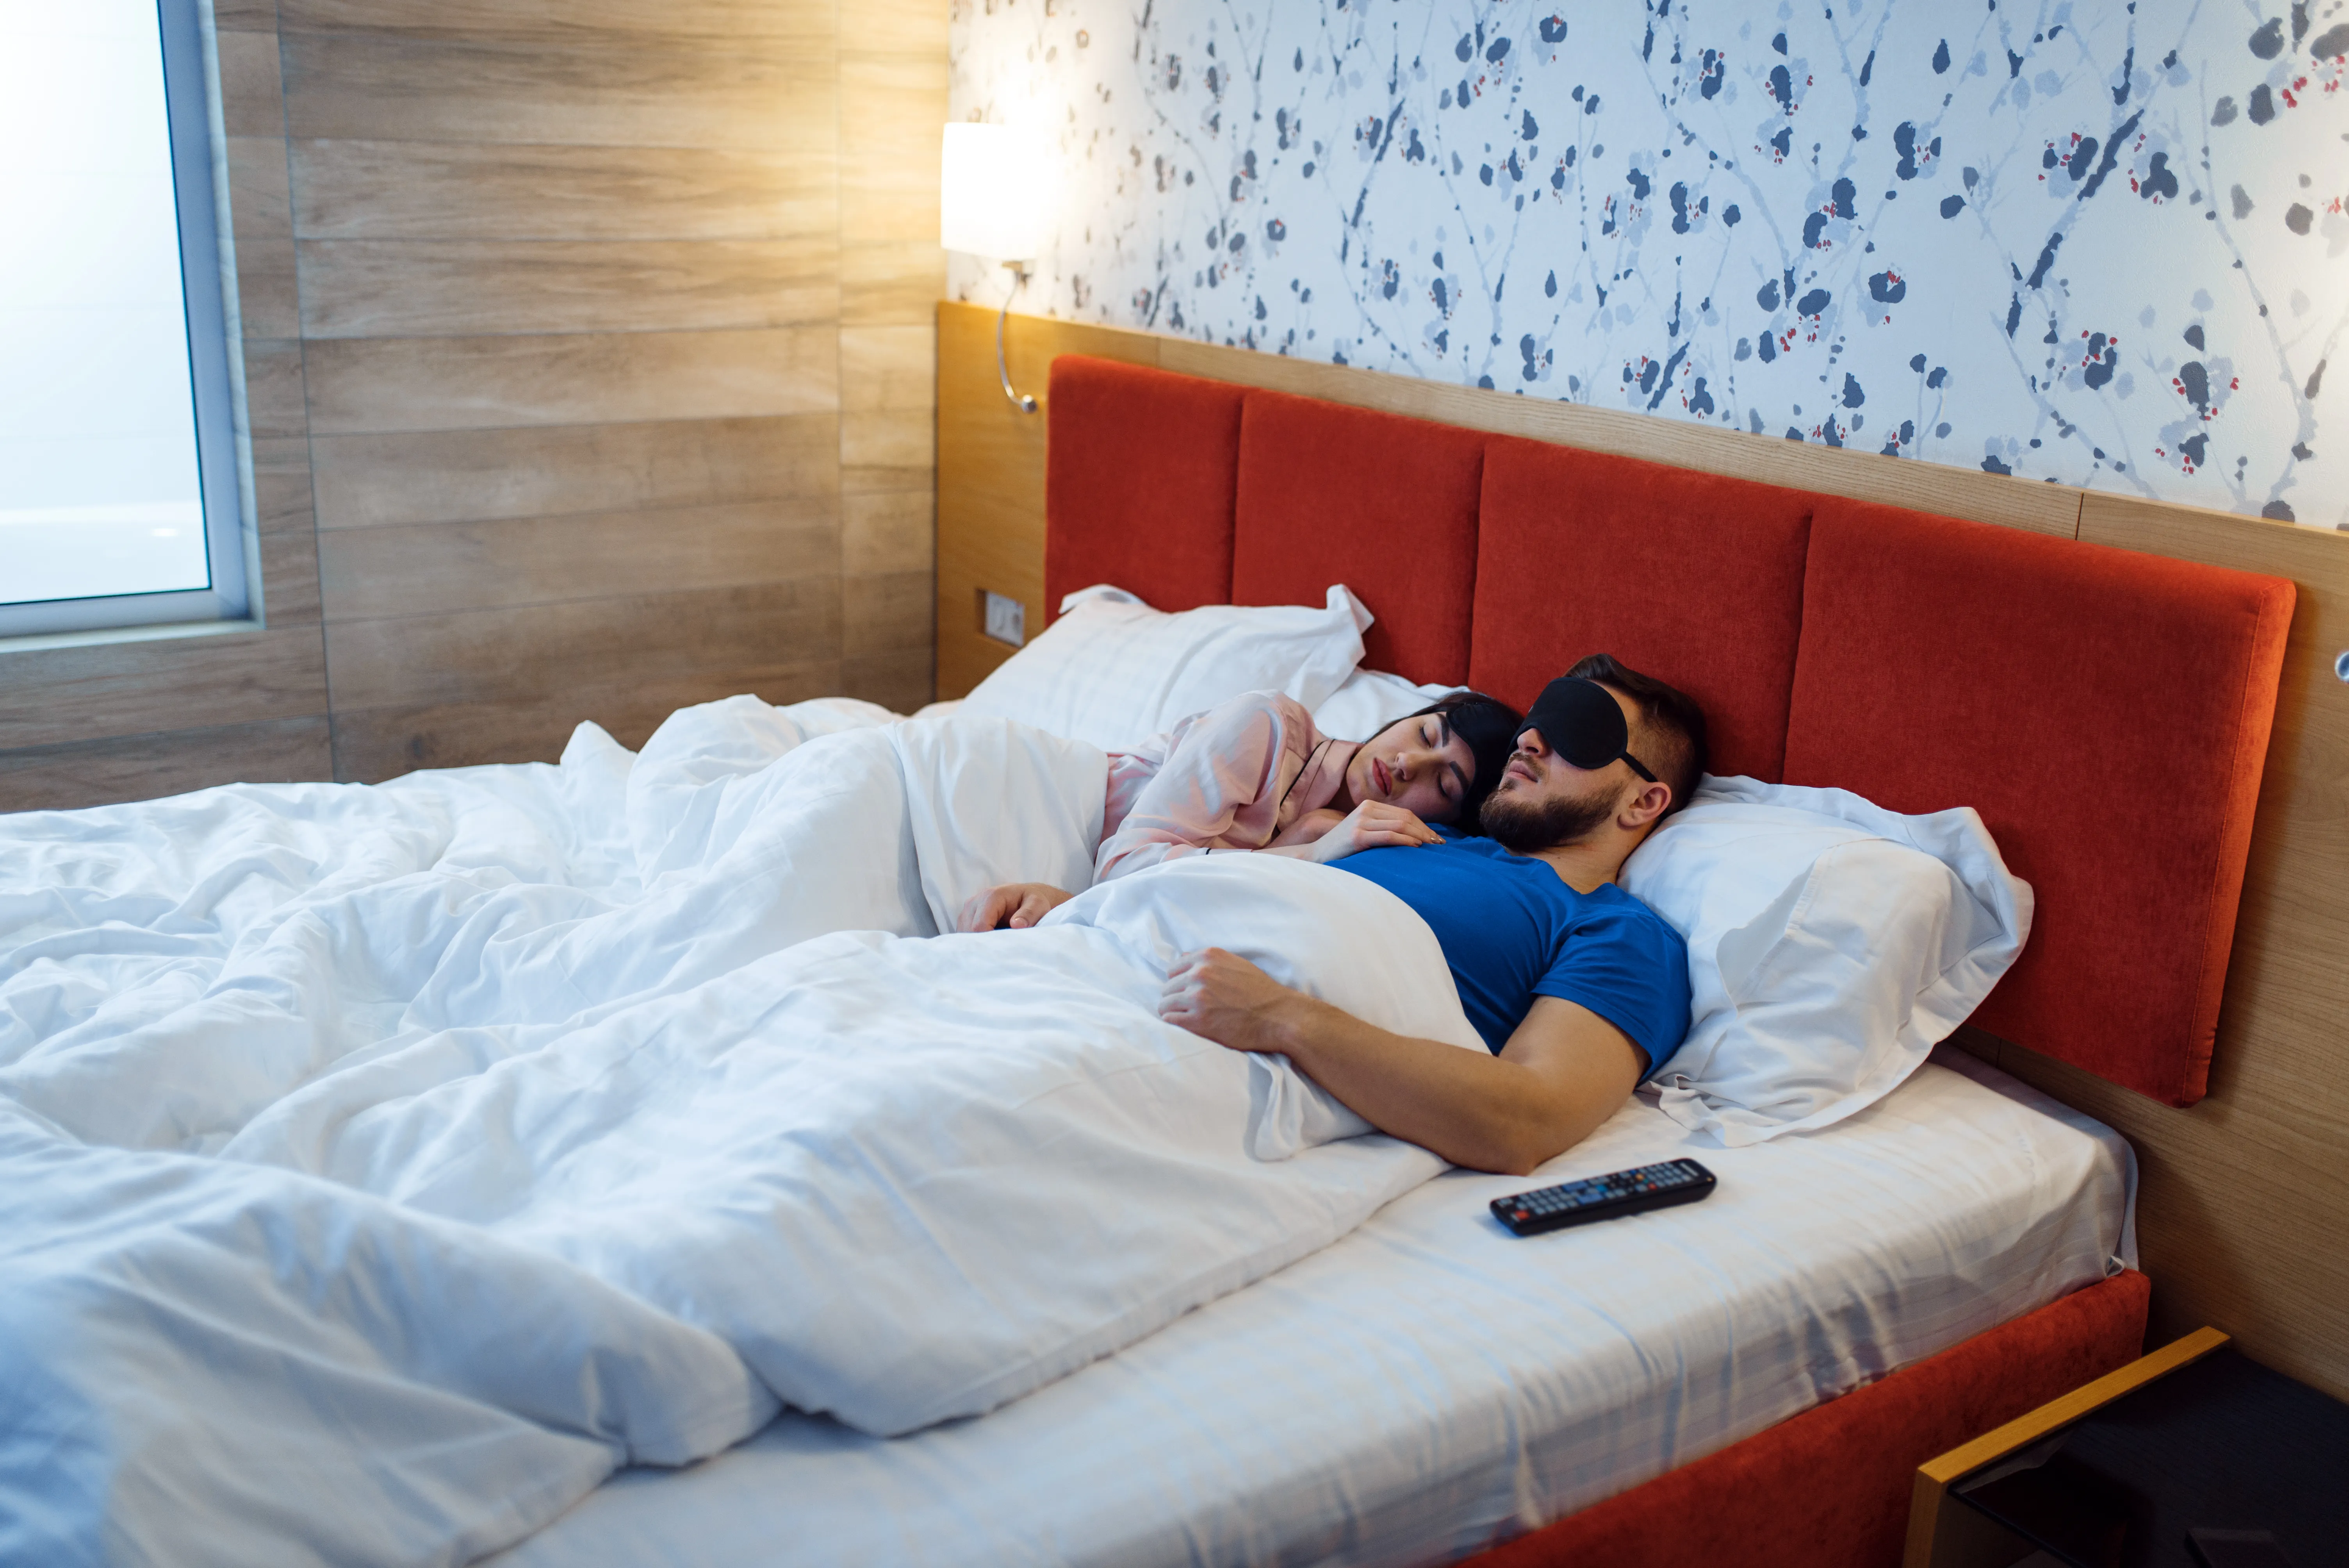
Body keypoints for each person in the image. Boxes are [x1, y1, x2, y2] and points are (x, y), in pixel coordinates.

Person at [1157, 654, 1704, 1176]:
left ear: (1643, 803)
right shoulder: (1405, 829)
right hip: (1140, 961)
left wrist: (1280, 1017)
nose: (1530, 740)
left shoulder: (1621, 934)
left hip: (1220, 1050)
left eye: (1581, 733)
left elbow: (1528, 1120)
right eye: (1540, 720)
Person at [957, 688, 1525, 932]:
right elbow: (1124, 869)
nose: (1408, 764)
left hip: (1043, 872)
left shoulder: (1365, 852)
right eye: (1426, 733)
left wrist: (1306, 844)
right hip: (1000, 792)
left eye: (1444, 784)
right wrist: (1310, 849)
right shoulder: (1269, 725)